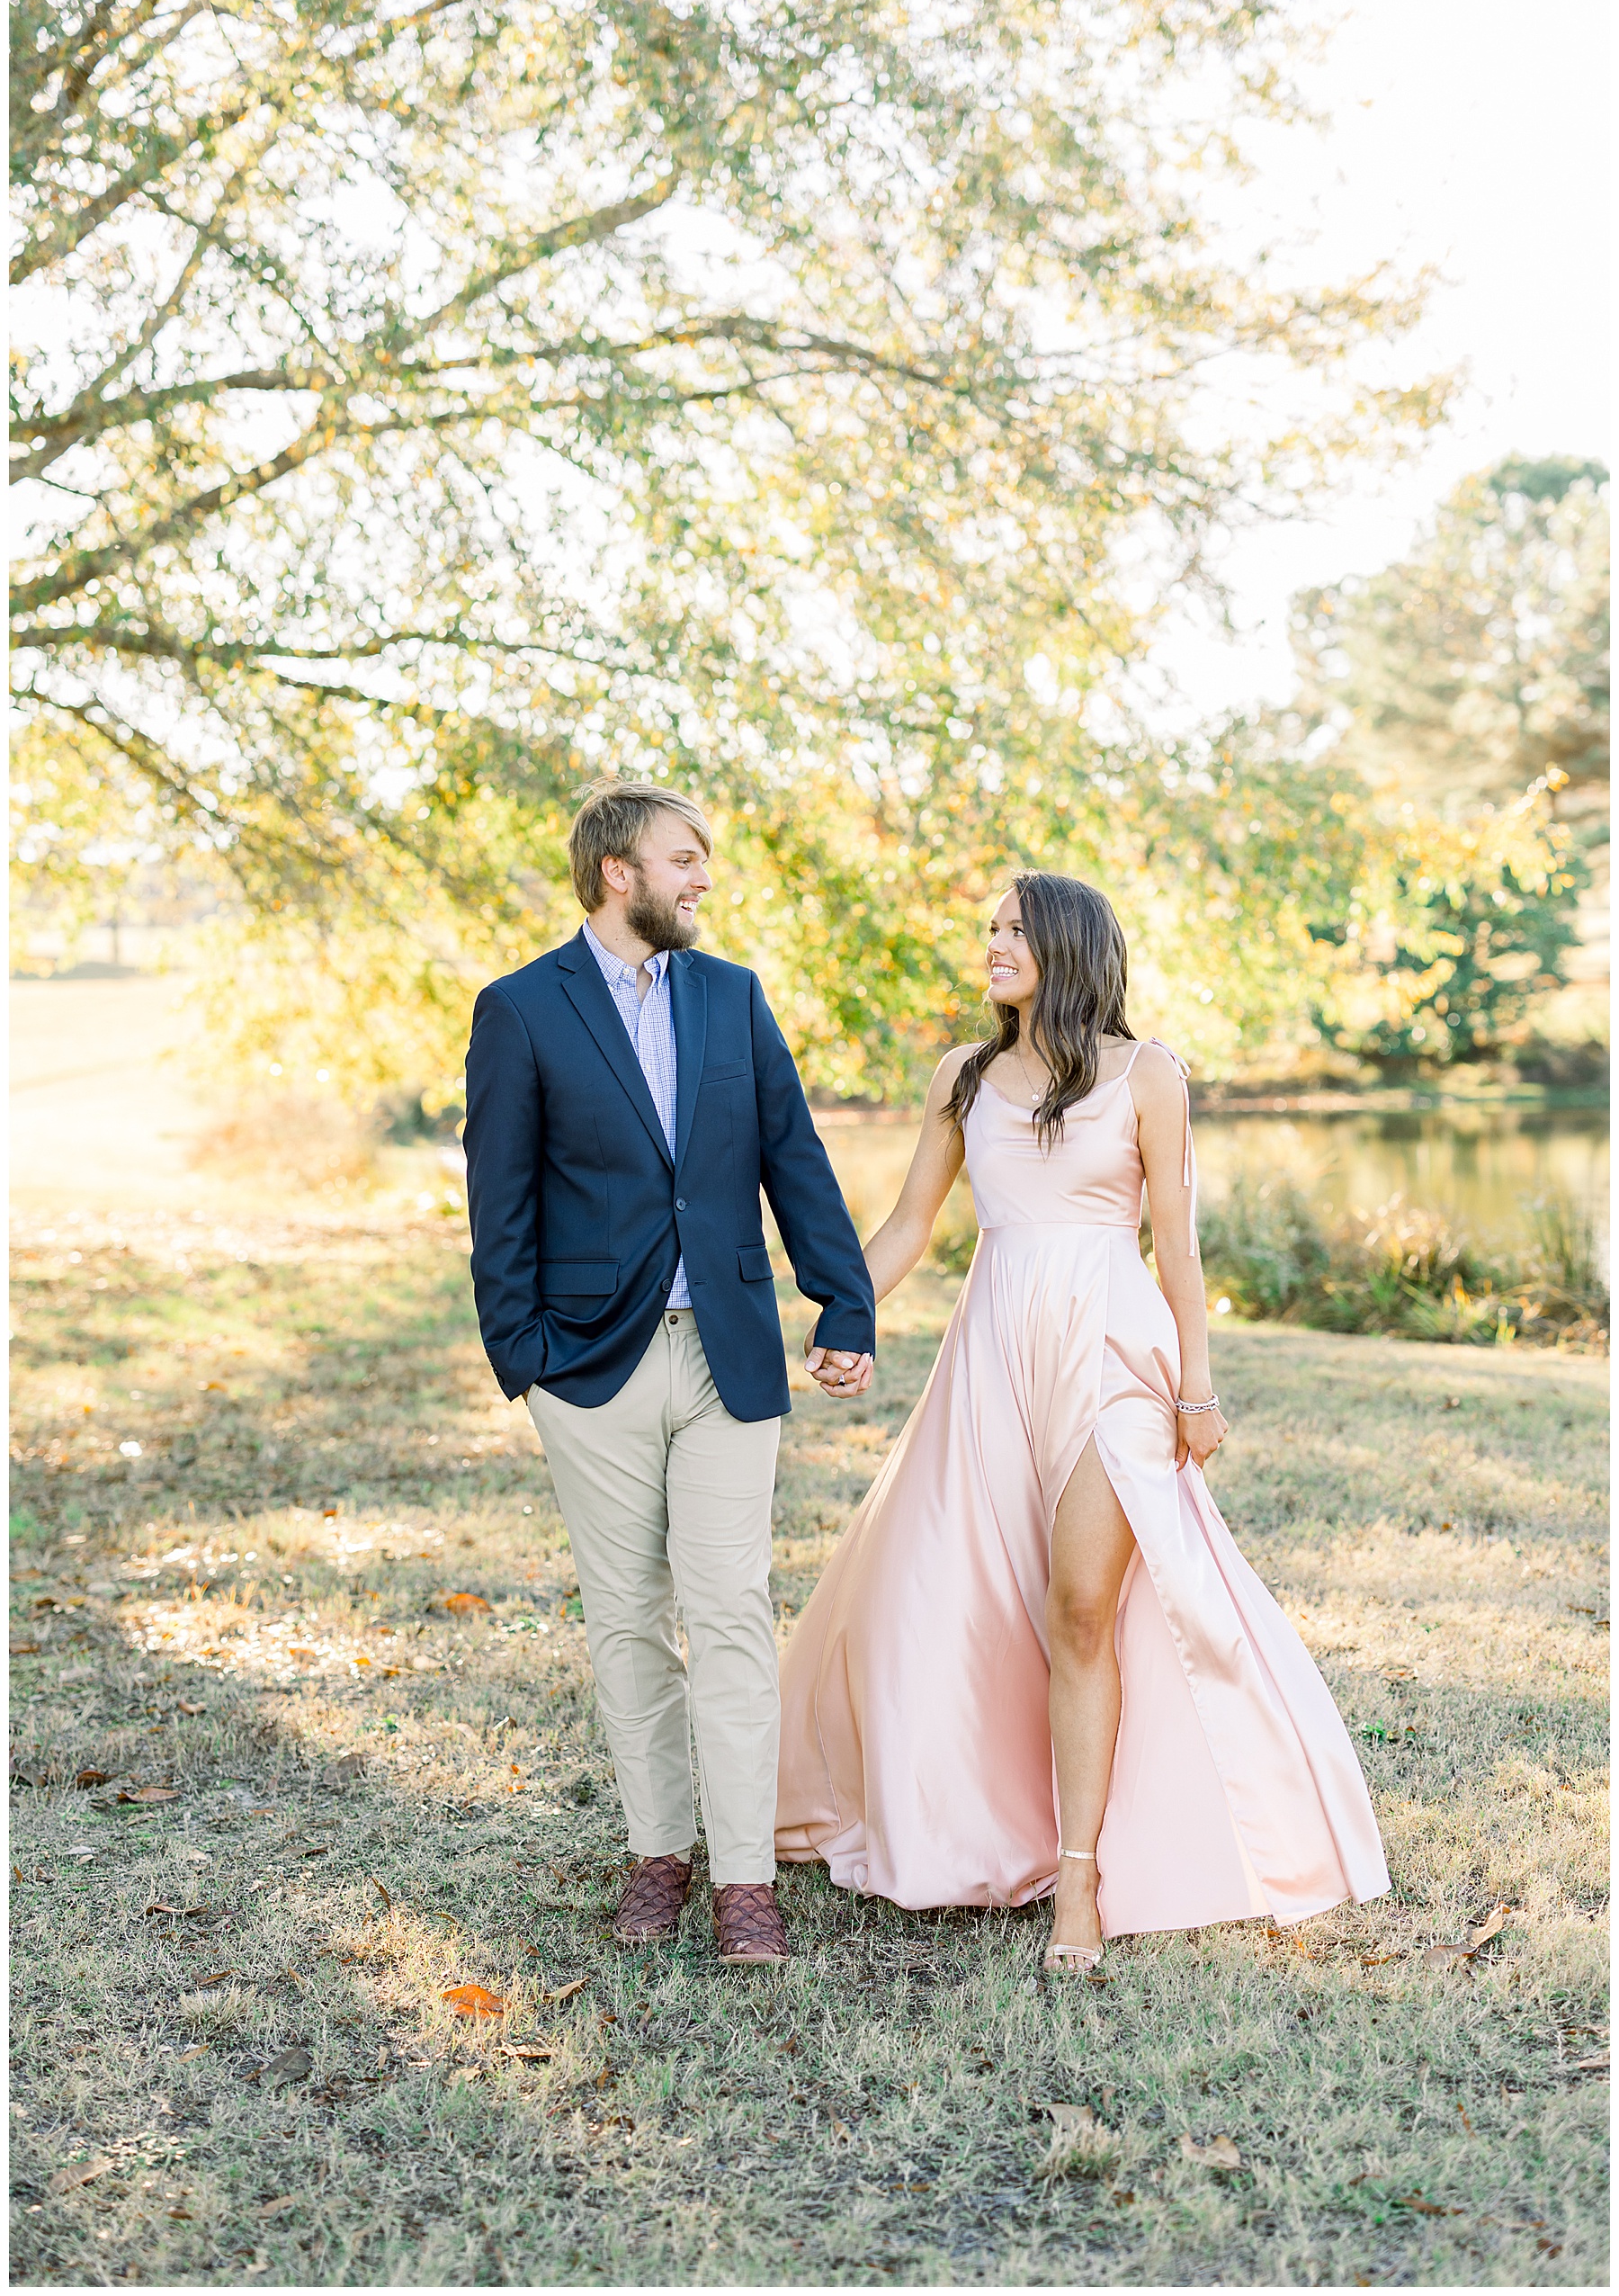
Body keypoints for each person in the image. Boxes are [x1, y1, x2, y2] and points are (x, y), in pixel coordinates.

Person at [775, 871, 1389, 1969]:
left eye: (1014, 928)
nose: (993, 943)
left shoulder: (1149, 1074)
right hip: (993, 1354)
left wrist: (1196, 1386)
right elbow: (911, 1220)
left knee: (1081, 1608)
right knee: (958, 1598)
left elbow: (1177, 1246)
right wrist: (846, 1314)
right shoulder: (963, 1077)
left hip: (1113, 1350)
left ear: (1067, 943)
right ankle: (988, 1822)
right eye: (990, 927)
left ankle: (1082, 1877)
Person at [464, 780, 875, 1964]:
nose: (703, 877)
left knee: (731, 1607)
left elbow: (792, 1152)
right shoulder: (521, 1008)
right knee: (627, 1617)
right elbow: (499, 1200)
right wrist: (526, 1359)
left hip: (729, 1353)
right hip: (590, 1364)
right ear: (619, 872)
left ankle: (746, 1879)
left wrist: (842, 1296)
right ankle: (660, 1850)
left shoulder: (732, 995)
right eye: (683, 857)